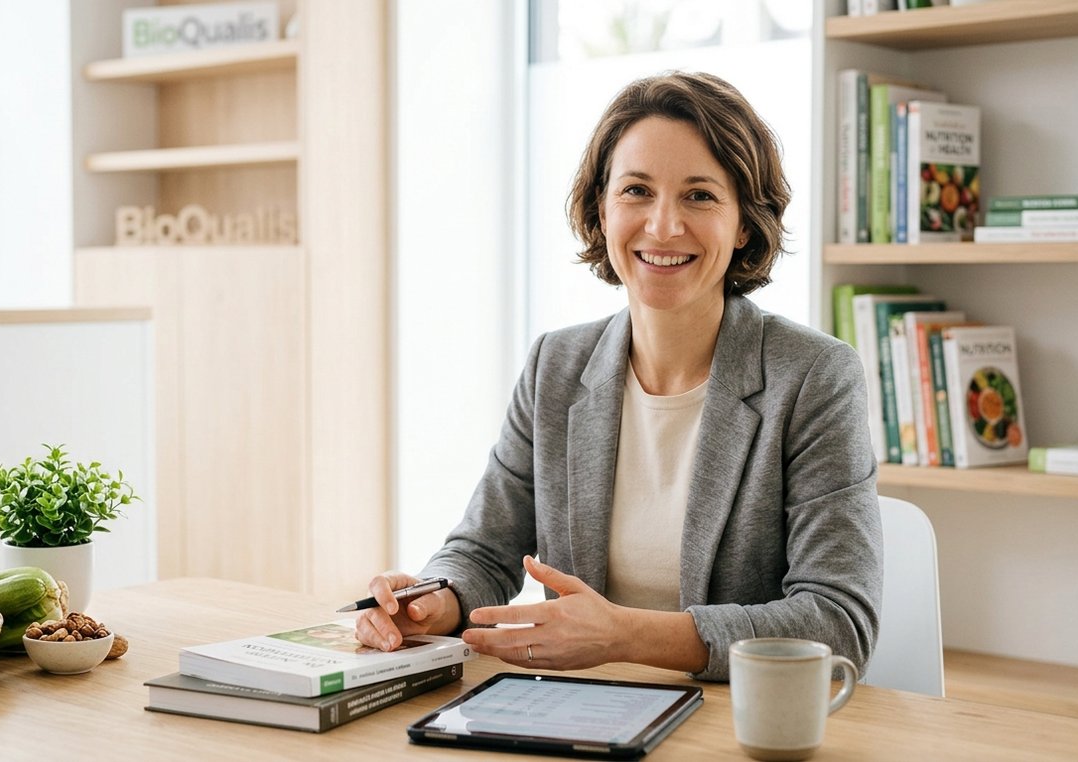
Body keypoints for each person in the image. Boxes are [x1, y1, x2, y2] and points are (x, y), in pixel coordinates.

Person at [355, 71, 881, 681]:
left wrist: (623, 635)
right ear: (601, 210)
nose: (663, 226)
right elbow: (483, 550)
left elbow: (838, 622)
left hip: (737, 718)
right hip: (581, 712)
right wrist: (432, 601)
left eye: (699, 195)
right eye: (636, 190)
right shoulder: (555, 366)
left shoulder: (814, 377)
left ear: (744, 223)